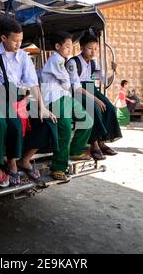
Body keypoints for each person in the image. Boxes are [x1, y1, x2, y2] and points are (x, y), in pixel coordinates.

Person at [0, 17, 56, 186]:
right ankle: (11, 162)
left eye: (21, 40)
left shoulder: (23, 56)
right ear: (3, 38)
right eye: (15, 41)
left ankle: (25, 159)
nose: (19, 44)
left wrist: (42, 107)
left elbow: (32, 83)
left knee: (47, 121)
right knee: (14, 126)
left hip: (19, 97)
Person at [24, 31, 93, 181]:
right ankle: (58, 167)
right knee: (65, 131)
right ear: (57, 46)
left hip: (66, 97)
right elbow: (68, 83)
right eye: (67, 47)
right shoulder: (55, 60)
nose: (70, 50)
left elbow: (70, 84)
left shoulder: (63, 61)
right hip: (55, 99)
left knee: (87, 120)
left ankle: (75, 150)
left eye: (70, 47)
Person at [66, 31, 122, 159]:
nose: (93, 51)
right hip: (77, 92)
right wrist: (96, 99)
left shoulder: (93, 63)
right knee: (94, 108)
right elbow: (76, 87)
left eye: (95, 49)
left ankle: (102, 142)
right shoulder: (73, 63)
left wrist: (113, 72)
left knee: (110, 108)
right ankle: (94, 144)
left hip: (91, 89)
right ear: (81, 48)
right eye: (90, 48)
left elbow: (102, 80)